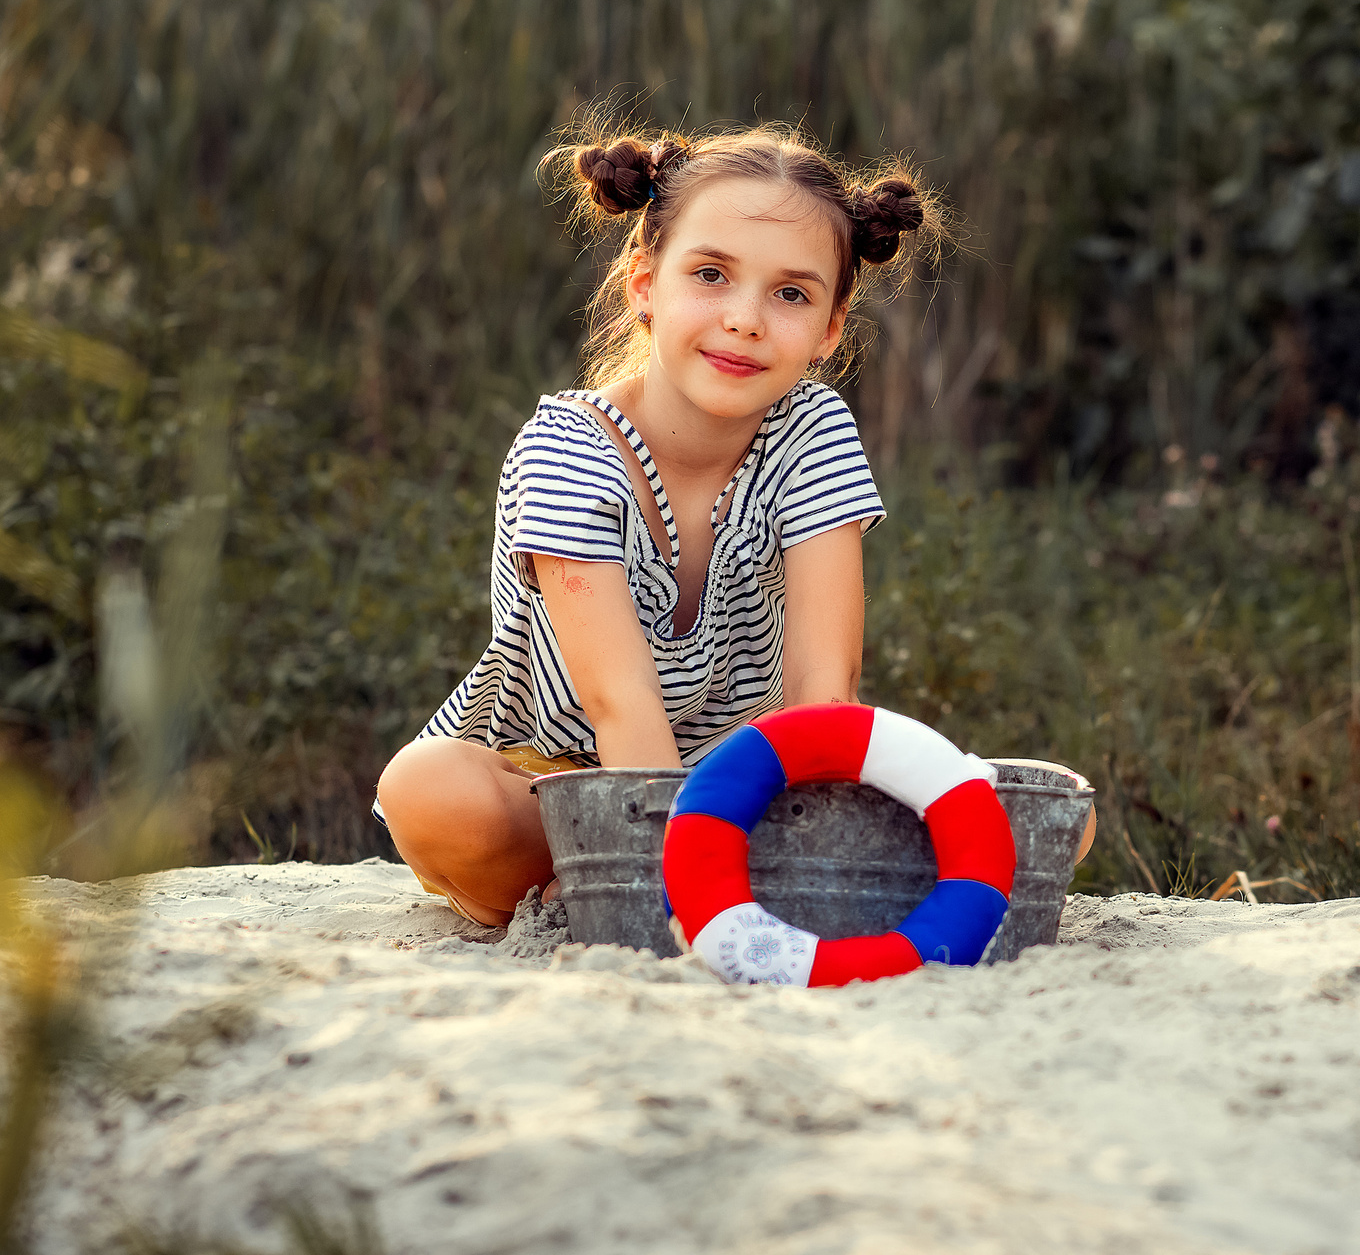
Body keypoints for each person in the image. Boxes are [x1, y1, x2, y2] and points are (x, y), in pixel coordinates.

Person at [378, 124, 939, 925]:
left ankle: (661, 881)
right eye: (711, 274)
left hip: (752, 789)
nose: (745, 319)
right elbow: (620, 700)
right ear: (645, 283)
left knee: (1042, 809)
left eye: (791, 294)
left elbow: (823, 691)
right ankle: (613, 878)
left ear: (829, 328)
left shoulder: (813, 431)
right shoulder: (569, 449)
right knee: (428, 786)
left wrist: (796, 818)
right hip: (566, 783)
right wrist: (676, 867)